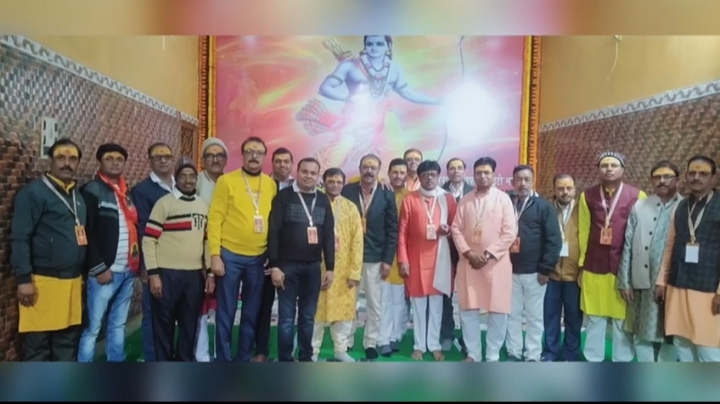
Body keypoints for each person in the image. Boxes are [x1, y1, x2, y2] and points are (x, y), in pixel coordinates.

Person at [10, 138, 87, 361]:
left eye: (73, 159)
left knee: (66, 345)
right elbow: (19, 237)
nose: (67, 163)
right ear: (50, 161)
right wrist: (23, 279)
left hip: (72, 284)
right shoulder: (33, 193)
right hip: (42, 284)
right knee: (38, 348)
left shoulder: (77, 195)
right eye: (61, 158)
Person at [208, 136, 277, 362]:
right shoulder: (226, 181)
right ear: (242, 154)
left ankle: (243, 359)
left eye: (259, 152)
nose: (254, 156)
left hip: (258, 258)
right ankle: (224, 361)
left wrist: (272, 255)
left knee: (251, 312)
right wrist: (215, 255)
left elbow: (274, 222)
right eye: (249, 151)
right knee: (226, 312)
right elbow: (215, 219)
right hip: (229, 256)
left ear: (264, 157)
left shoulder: (270, 184)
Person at [577, 151, 646, 362]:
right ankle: (593, 359)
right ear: (598, 170)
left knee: (621, 320)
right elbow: (584, 231)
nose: (608, 169)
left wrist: (636, 271)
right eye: (604, 165)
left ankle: (622, 362)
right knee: (594, 318)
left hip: (623, 269)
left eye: (613, 165)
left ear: (623, 170)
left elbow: (641, 237)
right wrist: (581, 265)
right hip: (594, 267)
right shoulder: (587, 196)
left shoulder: (638, 196)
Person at [143, 160, 214, 361]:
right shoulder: (164, 203)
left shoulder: (202, 205)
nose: (188, 180)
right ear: (176, 178)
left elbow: (207, 241)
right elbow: (149, 239)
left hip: (193, 276)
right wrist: (153, 274)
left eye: (192, 176)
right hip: (166, 275)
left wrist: (210, 272)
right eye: (183, 176)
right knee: (163, 326)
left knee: (189, 327)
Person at [268, 158, 335, 362]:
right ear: (297, 172)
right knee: (286, 319)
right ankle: (285, 360)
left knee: (307, 318)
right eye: (304, 171)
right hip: (287, 267)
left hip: (313, 268)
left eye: (313, 173)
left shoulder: (322, 199)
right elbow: (274, 232)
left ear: (318, 176)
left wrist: (330, 267)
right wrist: (275, 266)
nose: (308, 176)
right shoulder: (284, 196)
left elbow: (328, 235)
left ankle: (306, 358)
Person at [451, 157, 517, 362]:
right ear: (474, 175)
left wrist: (487, 254)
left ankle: (492, 354)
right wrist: (468, 253)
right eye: (479, 172)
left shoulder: (503, 199)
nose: (482, 176)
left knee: (497, 310)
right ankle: (473, 354)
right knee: (468, 309)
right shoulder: (465, 200)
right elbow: (456, 228)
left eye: (487, 172)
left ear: (494, 175)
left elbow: (510, 232)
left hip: (495, 264)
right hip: (469, 263)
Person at [78, 143, 139, 362]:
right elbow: (85, 232)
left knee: (118, 325)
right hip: (104, 272)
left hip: (127, 270)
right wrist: (98, 267)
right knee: (92, 328)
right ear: (100, 162)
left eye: (119, 159)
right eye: (109, 158)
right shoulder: (92, 191)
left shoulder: (126, 192)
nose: (115, 163)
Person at [656, 155, 720, 362]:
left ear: (713, 177)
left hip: (708, 290)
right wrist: (661, 281)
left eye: (703, 173)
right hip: (678, 285)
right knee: (682, 344)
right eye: (692, 173)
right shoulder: (680, 206)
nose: (696, 177)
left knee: (708, 349)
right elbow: (670, 246)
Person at [617, 161, 681, 362]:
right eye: (657, 177)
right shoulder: (640, 206)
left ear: (677, 180)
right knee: (641, 331)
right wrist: (625, 281)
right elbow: (628, 244)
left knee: (670, 334)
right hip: (642, 282)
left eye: (667, 176)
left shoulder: (684, 207)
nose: (662, 181)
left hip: (672, 283)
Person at [397, 160, 456, 361]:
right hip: (416, 259)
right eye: (425, 175)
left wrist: (448, 231)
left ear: (438, 176)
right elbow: (402, 232)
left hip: (441, 259)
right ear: (419, 177)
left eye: (433, 174)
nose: (429, 178)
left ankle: (434, 345)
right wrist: (403, 259)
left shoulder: (447, 199)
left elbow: (456, 228)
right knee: (419, 304)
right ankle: (419, 346)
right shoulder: (410, 199)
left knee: (437, 305)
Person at [341, 154, 399, 360]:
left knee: (375, 304)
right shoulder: (347, 191)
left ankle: (371, 341)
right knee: (349, 301)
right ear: (359, 169)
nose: (369, 171)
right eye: (365, 167)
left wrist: (387, 260)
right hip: (350, 258)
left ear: (378, 170)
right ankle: (346, 340)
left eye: (373, 167)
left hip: (376, 258)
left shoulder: (386, 193)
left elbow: (392, 230)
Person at [506, 165, 562, 362]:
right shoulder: (507, 203)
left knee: (534, 317)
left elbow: (554, 241)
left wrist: (545, 269)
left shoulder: (543, 207)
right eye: (519, 179)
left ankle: (532, 354)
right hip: (509, 271)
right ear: (512, 182)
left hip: (535, 272)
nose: (523, 184)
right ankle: (514, 351)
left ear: (533, 181)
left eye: (527, 179)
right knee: (512, 314)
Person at [312, 168, 363, 362]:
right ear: (323, 182)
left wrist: (355, 271)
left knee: (344, 313)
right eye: (331, 181)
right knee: (316, 312)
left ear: (343, 184)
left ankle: (340, 350)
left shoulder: (351, 208)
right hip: (318, 267)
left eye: (338, 182)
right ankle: (312, 351)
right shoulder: (315, 204)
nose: (335, 185)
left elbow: (358, 241)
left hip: (344, 271)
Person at [130, 142, 176, 362]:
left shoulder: (180, 186)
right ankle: (152, 359)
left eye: (167, 156)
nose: (163, 160)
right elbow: (143, 230)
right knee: (152, 315)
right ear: (150, 161)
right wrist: (147, 266)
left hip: (179, 262)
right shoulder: (142, 190)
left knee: (171, 314)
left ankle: (167, 356)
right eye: (158, 157)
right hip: (156, 263)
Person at [254, 146, 296, 362]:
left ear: (292, 164)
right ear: (272, 163)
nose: (282, 165)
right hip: (265, 253)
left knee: (290, 310)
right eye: (278, 161)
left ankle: (288, 353)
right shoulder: (261, 185)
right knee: (264, 305)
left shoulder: (298, 187)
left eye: (286, 161)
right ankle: (261, 349)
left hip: (292, 256)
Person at [541, 174, 583, 362]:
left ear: (575, 189)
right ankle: (550, 352)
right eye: (560, 188)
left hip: (575, 275)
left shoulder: (583, 209)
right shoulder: (546, 208)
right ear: (554, 189)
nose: (565, 192)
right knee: (550, 317)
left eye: (568, 188)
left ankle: (570, 355)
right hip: (551, 274)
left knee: (574, 318)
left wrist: (583, 269)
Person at [195, 137, 228, 362]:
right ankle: (202, 354)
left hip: (226, 253)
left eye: (219, 155)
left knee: (223, 307)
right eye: (210, 155)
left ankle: (221, 354)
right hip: (198, 253)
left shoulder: (231, 182)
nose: (215, 159)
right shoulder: (195, 181)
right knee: (201, 307)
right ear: (203, 159)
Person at [378, 158, 410, 357]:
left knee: (398, 299)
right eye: (394, 172)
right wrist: (380, 180)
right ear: (388, 173)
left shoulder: (411, 196)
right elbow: (356, 179)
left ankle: (395, 335)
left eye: (402, 172)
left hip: (403, 254)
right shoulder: (381, 191)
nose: (398, 176)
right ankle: (383, 338)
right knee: (383, 299)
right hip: (382, 254)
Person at [441, 157, 474, 354]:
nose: (456, 171)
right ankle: (447, 334)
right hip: (444, 251)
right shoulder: (439, 193)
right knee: (445, 296)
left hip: (468, 253)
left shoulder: (474, 192)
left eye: (459, 168)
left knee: (467, 297)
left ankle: (467, 338)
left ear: (465, 171)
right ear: (447, 172)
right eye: (452, 168)